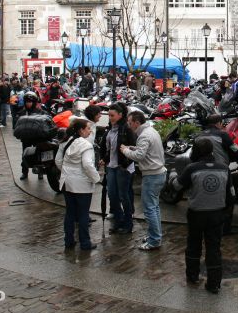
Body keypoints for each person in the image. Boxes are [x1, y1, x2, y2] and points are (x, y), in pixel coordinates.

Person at [169, 138, 233, 294]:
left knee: (193, 245)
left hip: (196, 214)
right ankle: (214, 283)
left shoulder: (192, 168)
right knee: (214, 248)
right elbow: (231, 195)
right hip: (217, 214)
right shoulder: (224, 168)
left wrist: (172, 175)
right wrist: (225, 214)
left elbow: (177, 186)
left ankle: (193, 276)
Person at [121, 111, 167, 250]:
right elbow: (145, 151)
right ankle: (155, 235)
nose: (129, 125)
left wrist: (125, 150)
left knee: (150, 209)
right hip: (158, 173)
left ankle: (154, 240)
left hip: (152, 175)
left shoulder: (144, 135)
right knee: (154, 207)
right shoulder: (150, 131)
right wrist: (133, 148)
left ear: (136, 122)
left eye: (130, 122)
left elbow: (139, 156)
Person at [56, 119, 101, 251]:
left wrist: (66, 171)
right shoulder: (86, 145)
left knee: (70, 213)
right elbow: (87, 164)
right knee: (82, 214)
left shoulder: (66, 142)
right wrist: (96, 178)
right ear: (81, 130)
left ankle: (69, 240)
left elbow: (58, 160)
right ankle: (85, 242)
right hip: (82, 184)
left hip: (67, 182)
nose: (90, 130)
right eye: (88, 128)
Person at [195, 114, 238, 235]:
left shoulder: (199, 136)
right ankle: (225, 229)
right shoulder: (223, 135)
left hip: (202, 172)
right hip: (221, 171)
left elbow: (192, 156)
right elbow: (235, 150)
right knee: (229, 198)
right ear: (219, 123)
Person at [100, 103, 136, 234]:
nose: (110, 117)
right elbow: (108, 148)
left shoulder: (126, 129)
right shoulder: (110, 129)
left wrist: (125, 164)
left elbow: (134, 149)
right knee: (112, 195)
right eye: (109, 115)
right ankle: (119, 221)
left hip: (123, 168)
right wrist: (104, 159)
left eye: (112, 115)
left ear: (120, 115)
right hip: (111, 167)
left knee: (123, 196)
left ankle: (128, 223)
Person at [18, 91, 46, 180]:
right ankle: (24, 172)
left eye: (30, 102)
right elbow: (18, 125)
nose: (28, 104)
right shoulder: (22, 112)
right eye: (27, 102)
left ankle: (40, 172)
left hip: (37, 138)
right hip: (26, 138)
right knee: (25, 155)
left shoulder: (40, 112)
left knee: (39, 154)